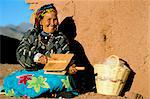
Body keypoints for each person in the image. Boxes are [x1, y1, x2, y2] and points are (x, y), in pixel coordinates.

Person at [2, 4, 95, 98]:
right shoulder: (31, 35)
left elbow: (65, 57)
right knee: (10, 80)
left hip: (53, 75)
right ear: (41, 21)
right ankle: (49, 92)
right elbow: (21, 52)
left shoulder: (61, 39)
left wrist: (70, 67)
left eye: (55, 19)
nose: (52, 23)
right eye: (49, 20)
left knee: (59, 81)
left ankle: (42, 93)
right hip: (32, 73)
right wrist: (37, 57)